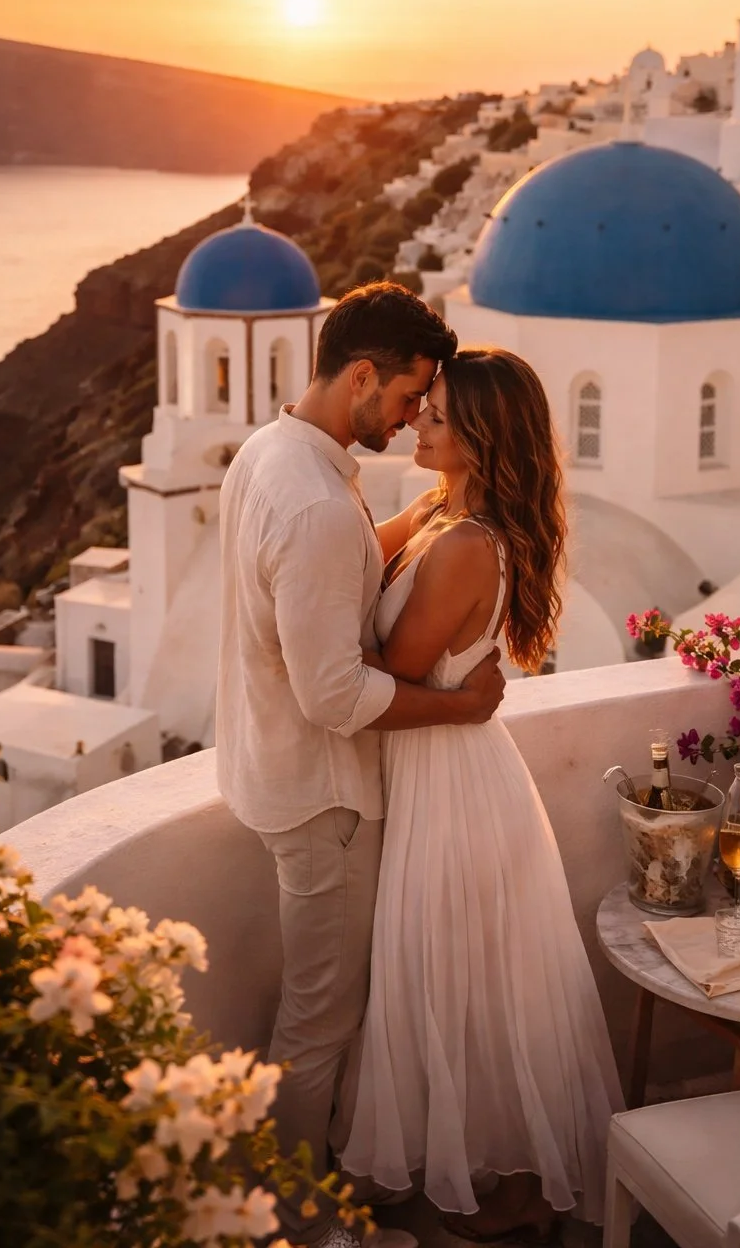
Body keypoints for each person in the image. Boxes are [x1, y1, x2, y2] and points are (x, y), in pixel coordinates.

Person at [215, 285, 507, 1248]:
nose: (413, 416)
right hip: (325, 799)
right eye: (410, 395)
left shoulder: (274, 452)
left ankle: (314, 1198)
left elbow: (335, 580)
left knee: (322, 1014)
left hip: (274, 774)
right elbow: (335, 696)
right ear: (362, 376)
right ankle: (301, 1227)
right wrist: (462, 705)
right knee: (319, 1024)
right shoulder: (314, 504)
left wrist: (424, 513)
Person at [334, 347, 624, 1241]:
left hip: (452, 785)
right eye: (421, 407)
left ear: (482, 437)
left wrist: (311, 643)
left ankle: (515, 1185)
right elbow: (349, 562)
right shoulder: (437, 511)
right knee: (453, 977)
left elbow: (388, 673)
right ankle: (484, 1171)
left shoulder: (466, 545)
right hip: (443, 767)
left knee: (457, 978)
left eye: (437, 416)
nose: (416, 422)